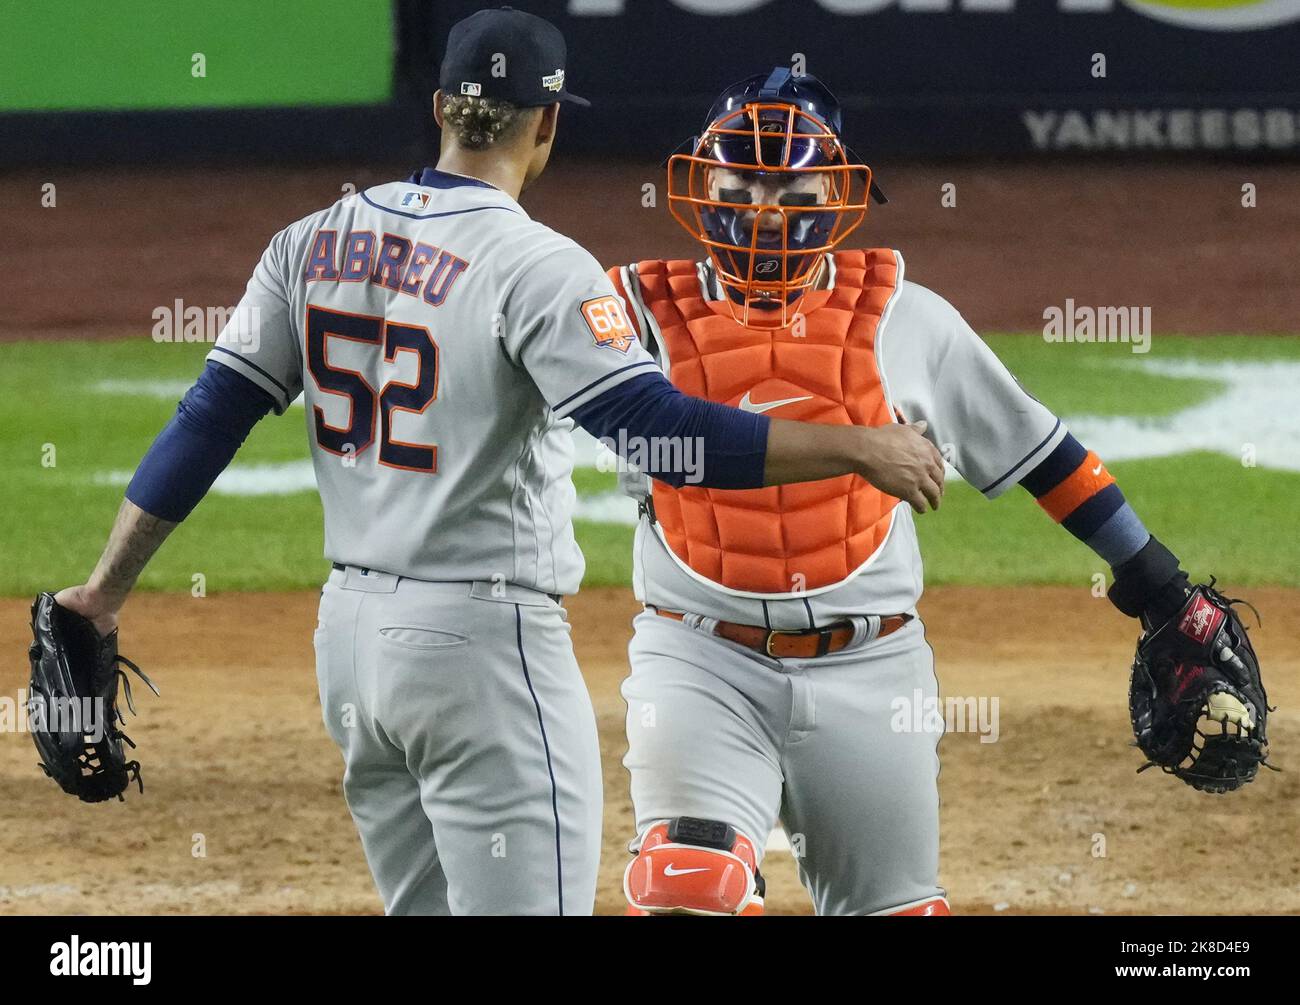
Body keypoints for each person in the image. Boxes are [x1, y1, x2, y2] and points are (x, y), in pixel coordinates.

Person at [49, 18, 940, 915]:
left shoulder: (309, 241)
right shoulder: (539, 266)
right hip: (482, 653)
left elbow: (207, 421)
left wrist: (100, 592)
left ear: (442, 108)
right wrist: (859, 445)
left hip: (352, 649)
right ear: (547, 126)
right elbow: (658, 433)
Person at [608, 68, 1230, 916]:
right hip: (698, 660)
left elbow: (1043, 453)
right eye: (742, 181)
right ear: (701, 182)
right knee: (690, 887)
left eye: (790, 184)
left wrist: (1159, 583)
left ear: (838, 190)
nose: (762, 206)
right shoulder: (627, 320)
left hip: (872, 668)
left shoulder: (909, 320)